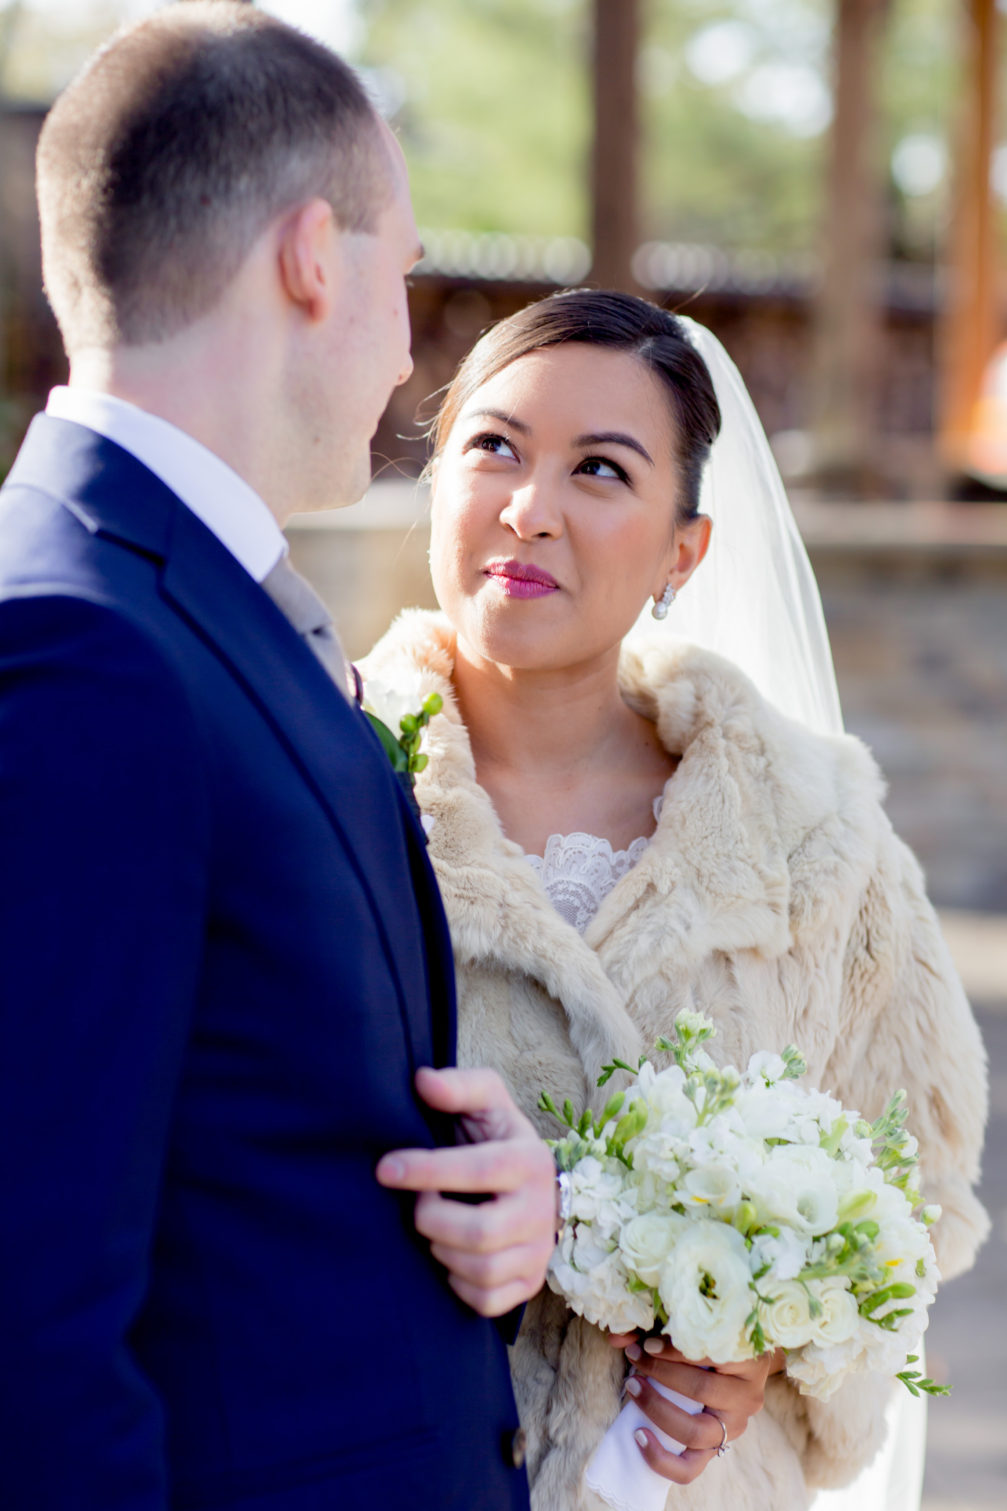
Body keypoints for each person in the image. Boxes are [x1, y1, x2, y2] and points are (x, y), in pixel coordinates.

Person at [0, 6, 560, 1508]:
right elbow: (29, 1313)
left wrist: (484, 1188)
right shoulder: (79, 646)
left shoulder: (190, 606)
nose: (408, 341)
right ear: (314, 256)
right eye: (406, 267)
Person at [359, 289, 990, 1511]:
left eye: (600, 469)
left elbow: (916, 1202)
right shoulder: (324, 773)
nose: (528, 508)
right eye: (491, 447)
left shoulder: (811, 835)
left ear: (680, 552)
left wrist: (775, 1337)